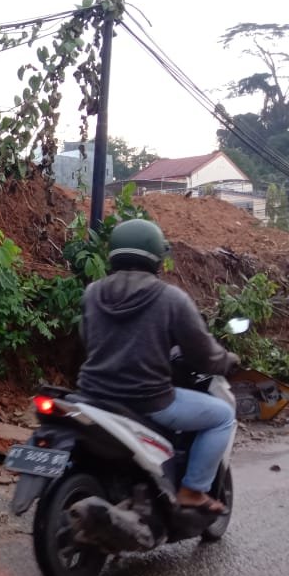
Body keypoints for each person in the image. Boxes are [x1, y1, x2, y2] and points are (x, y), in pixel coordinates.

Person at [76, 218, 238, 514]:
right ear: (156, 257)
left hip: (93, 397)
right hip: (148, 402)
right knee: (223, 416)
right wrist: (227, 361)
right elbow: (203, 354)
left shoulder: (92, 293)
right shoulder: (170, 298)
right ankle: (192, 490)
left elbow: (88, 340)